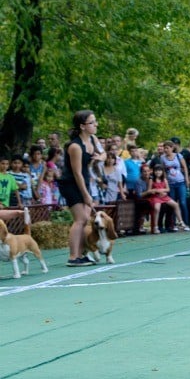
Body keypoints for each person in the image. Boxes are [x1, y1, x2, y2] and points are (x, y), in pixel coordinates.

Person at [61, 110, 104, 266]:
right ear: (82, 126)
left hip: (84, 181)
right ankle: (73, 257)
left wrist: (100, 157)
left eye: (95, 121)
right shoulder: (75, 147)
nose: (95, 124)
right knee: (80, 219)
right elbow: (77, 173)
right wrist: (86, 195)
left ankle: (80, 253)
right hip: (71, 184)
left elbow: (104, 153)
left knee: (85, 219)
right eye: (92, 122)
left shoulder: (93, 139)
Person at [141, 165, 190, 233]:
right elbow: (149, 190)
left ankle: (181, 222)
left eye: (160, 171)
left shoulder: (164, 179)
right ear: (154, 172)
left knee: (175, 204)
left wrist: (162, 191)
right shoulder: (151, 180)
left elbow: (168, 189)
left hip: (164, 197)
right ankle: (155, 227)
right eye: (156, 171)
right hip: (156, 197)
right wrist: (156, 190)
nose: (158, 172)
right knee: (157, 208)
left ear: (162, 172)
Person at [159, 140, 190, 227]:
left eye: (167, 148)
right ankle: (172, 224)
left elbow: (185, 167)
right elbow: (163, 170)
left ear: (172, 148)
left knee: (183, 202)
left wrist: (187, 179)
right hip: (170, 183)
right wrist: (165, 181)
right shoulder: (162, 158)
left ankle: (186, 222)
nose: (165, 150)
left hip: (180, 182)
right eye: (164, 148)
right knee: (172, 203)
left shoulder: (178, 156)